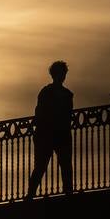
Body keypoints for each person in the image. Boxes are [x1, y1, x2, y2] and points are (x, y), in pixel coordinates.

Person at [25, 60, 73, 200]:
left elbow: (39, 113)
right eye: (61, 73)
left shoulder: (51, 93)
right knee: (45, 166)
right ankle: (32, 194)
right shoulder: (61, 94)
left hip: (51, 134)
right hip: (51, 134)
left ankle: (31, 195)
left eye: (63, 73)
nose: (62, 76)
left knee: (54, 165)